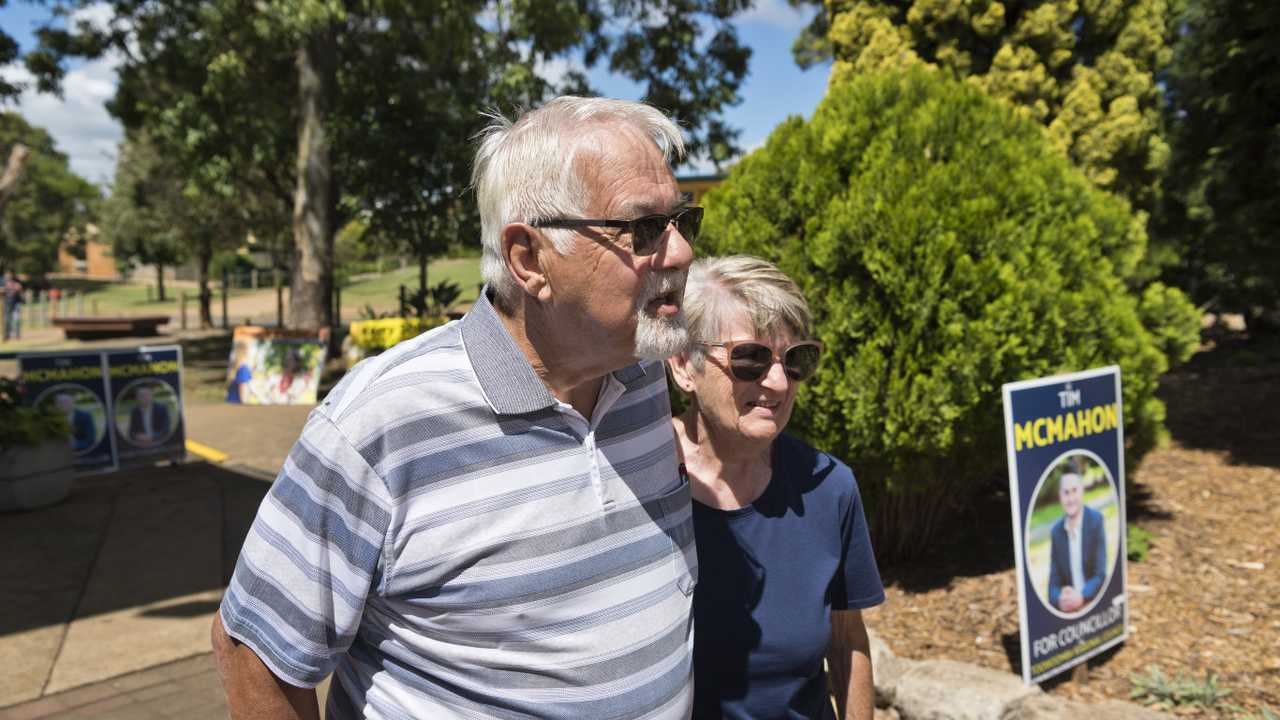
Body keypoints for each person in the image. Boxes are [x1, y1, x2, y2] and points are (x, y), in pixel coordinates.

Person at [212, 96, 699, 720]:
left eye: (684, 222)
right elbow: (252, 653)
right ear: (529, 259)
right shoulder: (380, 421)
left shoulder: (642, 373)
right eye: (645, 229)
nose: (681, 252)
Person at [666, 256, 884, 720]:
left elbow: (847, 642)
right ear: (684, 363)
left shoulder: (828, 488)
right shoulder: (639, 480)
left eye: (795, 360)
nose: (779, 382)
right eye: (751, 359)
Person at [1047, 472, 1107, 613]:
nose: (1070, 498)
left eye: (1075, 491)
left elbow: (1100, 574)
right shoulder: (1057, 531)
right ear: (1060, 496)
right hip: (1069, 607)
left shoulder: (1095, 521)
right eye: (1066, 493)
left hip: (1093, 601)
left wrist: (1082, 595)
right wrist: (1060, 599)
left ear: (1082, 492)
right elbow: (1052, 585)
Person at [2, 270, 23, 341]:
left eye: (10, 275)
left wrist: (16, 288)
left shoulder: (16, 281)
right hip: (7, 303)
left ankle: (17, 335)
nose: (8, 277)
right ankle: (6, 335)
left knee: (16, 319)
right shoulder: (3, 282)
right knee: (7, 319)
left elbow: (19, 288)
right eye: (7, 276)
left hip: (16, 303)